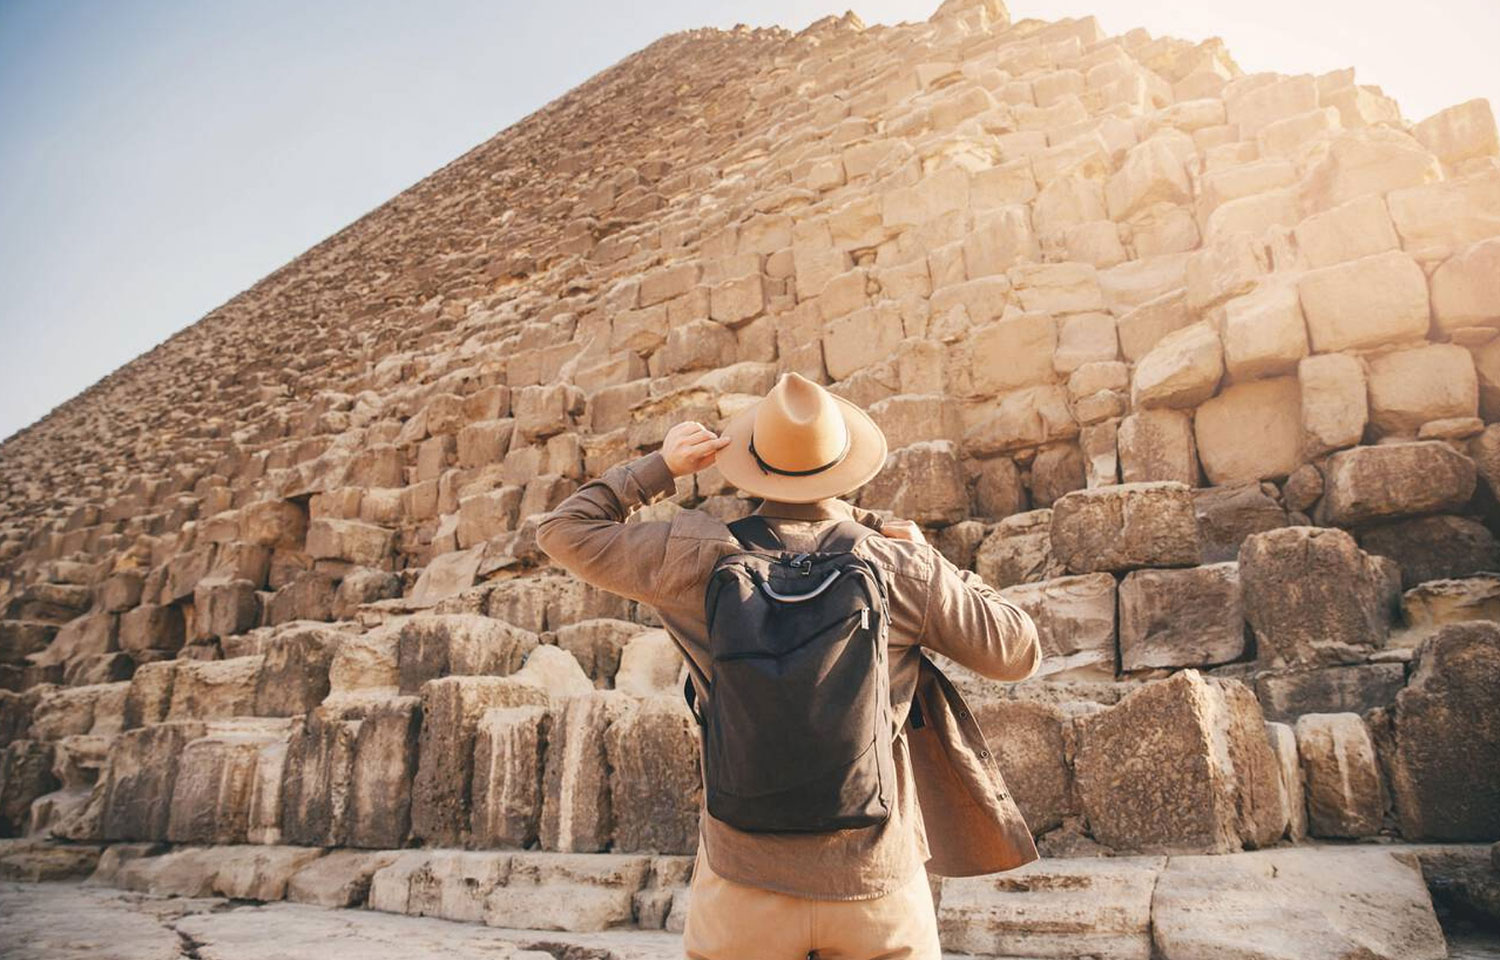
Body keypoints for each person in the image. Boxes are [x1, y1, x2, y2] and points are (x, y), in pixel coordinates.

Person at [535, 370, 1043, 960]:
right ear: (846, 460)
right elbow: (1018, 650)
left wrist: (662, 467)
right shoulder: (898, 566)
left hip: (742, 881)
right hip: (874, 887)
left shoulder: (693, 556)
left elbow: (562, 530)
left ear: (752, 460)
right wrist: (936, 563)